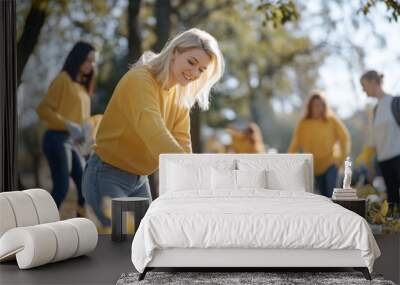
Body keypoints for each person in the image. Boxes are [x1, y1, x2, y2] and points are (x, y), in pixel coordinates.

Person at [82, 28, 224, 229]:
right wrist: (199, 174)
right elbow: (155, 135)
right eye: (192, 62)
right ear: (175, 53)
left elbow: (183, 144)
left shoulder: (180, 96)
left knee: (148, 245)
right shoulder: (140, 80)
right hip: (107, 174)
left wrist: (197, 186)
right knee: (121, 248)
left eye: (201, 70)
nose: (194, 73)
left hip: (140, 181)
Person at [37, 41, 97, 216]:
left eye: (93, 61)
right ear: (78, 58)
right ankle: (42, 226)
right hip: (56, 139)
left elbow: (84, 121)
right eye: (88, 60)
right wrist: (67, 125)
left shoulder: (84, 90)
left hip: (75, 143)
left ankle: (81, 228)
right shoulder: (63, 79)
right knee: (62, 187)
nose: (91, 65)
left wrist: (88, 136)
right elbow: (43, 109)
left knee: (85, 187)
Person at [288, 92, 351, 197]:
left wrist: (341, 159)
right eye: (315, 105)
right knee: (323, 197)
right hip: (314, 167)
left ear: (324, 106)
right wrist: (288, 164)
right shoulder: (303, 123)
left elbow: (345, 137)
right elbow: (295, 144)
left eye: (321, 105)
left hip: (331, 163)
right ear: (310, 107)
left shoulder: (331, 120)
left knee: (331, 195)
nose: (318, 108)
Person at [357, 70, 400, 217]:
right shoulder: (375, 110)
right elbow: (373, 140)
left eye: (363, 85)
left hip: (398, 157)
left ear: (372, 82)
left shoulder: (395, 102)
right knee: (393, 200)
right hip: (384, 161)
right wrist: (363, 158)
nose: (363, 90)